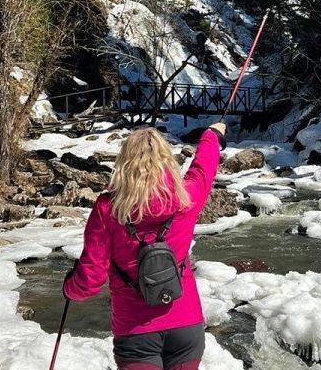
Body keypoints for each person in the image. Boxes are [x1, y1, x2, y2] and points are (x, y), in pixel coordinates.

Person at [63, 123, 226, 370]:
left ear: (124, 164)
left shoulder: (108, 209)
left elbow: (89, 281)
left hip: (135, 332)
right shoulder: (186, 197)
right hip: (186, 326)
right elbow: (203, 167)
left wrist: (69, 289)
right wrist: (212, 136)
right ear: (166, 160)